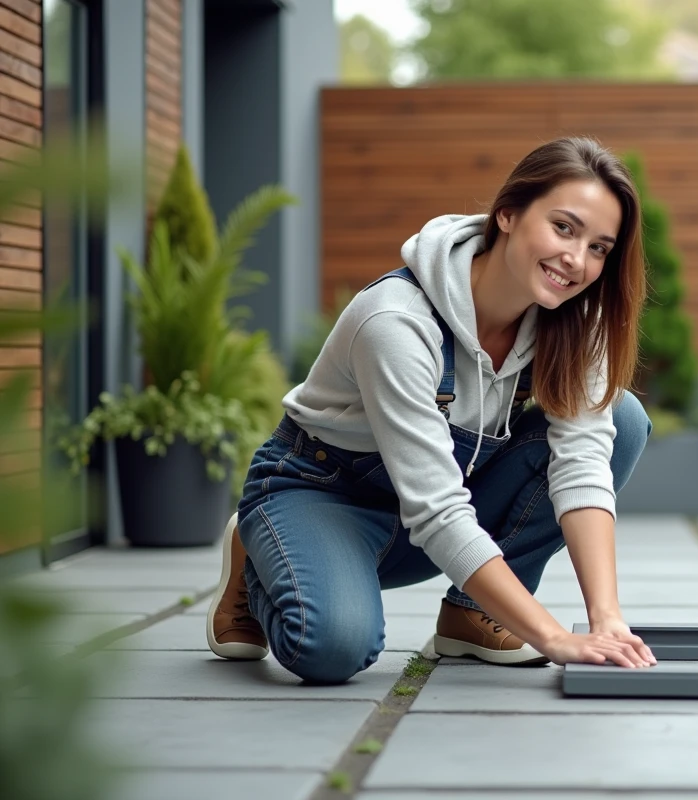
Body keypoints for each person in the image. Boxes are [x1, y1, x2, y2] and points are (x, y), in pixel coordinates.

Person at [205, 137, 659, 684]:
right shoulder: (396, 322)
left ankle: (474, 614)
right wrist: (553, 637)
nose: (576, 259)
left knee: (623, 420)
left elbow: (582, 465)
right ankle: (260, 548)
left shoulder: (575, 322)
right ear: (508, 215)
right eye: (564, 227)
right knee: (332, 649)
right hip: (325, 493)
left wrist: (605, 620)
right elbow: (437, 509)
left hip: (431, 508)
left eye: (599, 248)